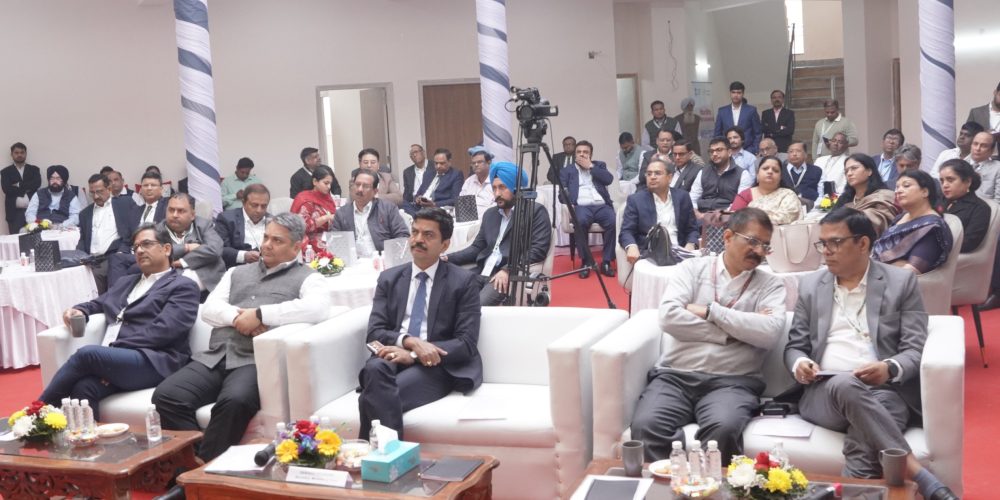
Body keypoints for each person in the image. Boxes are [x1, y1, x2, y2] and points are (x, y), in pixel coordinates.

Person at [785, 207, 958, 500]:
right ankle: (917, 472)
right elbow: (794, 346)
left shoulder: (900, 283)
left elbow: (914, 349)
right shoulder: (812, 285)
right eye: (822, 243)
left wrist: (889, 367)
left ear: (863, 243)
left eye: (835, 242)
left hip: (885, 392)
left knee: (863, 445)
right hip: (823, 394)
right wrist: (800, 363)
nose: (826, 251)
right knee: (844, 383)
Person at [152, 213, 333, 463]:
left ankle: (201, 469)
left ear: (296, 246)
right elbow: (209, 309)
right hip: (215, 356)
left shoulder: (309, 278)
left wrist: (261, 315)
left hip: (253, 361)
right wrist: (240, 319)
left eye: (277, 240)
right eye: (266, 237)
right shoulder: (236, 272)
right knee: (166, 396)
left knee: (235, 401)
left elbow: (318, 308)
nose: (267, 244)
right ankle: (196, 462)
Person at [630, 208, 787, 463]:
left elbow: (769, 333)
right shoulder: (692, 269)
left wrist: (711, 311)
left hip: (733, 382)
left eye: (765, 245)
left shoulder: (770, 285)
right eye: (753, 241)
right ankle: (667, 485)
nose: (759, 251)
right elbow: (669, 317)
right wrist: (734, 333)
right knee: (646, 425)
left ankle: (711, 486)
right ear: (728, 237)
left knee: (724, 428)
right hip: (675, 376)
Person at [40, 223, 199, 420]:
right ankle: (87, 438)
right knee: (84, 388)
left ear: (166, 249)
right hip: (119, 362)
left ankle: (37, 413)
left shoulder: (182, 286)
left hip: (154, 360)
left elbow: (164, 331)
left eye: (146, 244)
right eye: (136, 247)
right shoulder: (127, 281)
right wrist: (79, 310)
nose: (139, 250)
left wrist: (116, 350)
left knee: (88, 355)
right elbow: (98, 303)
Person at [358, 208, 482, 440]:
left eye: (428, 235)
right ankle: (393, 457)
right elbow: (374, 333)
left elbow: (466, 343)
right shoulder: (389, 279)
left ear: (445, 245)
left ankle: (376, 454)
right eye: (414, 232)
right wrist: (409, 342)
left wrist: (414, 355)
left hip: (436, 367)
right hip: (391, 357)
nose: (418, 240)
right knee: (375, 368)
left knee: (370, 396)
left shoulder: (463, 281)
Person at [446, 162, 551, 305]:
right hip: (481, 272)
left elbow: (538, 250)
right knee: (447, 299)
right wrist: (447, 258)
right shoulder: (490, 214)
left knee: (477, 307)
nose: (497, 194)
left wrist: (507, 269)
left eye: (502, 187)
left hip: (502, 276)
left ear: (516, 188)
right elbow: (476, 248)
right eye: (494, 188)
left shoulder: (535, 212)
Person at [619, 159, 699, 266]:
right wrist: (631, 246)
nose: (652, 177)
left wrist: (690, 244)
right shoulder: (636, 200)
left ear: (669, 178)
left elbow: (692, 228)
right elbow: (626, 231)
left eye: (657, 173)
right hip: (650, 255)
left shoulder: (682, 197)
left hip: (680, 253)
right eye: (649, 174)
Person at [872, 170, 953, 274]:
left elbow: (911, 271)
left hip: (891, 279)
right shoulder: (900, 217)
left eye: (906, 186)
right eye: (897, 187)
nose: (898, 191)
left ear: (925, 192)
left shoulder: (931, 227)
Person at [560, 140, 617, 278]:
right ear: (575, 154)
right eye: (579, 152)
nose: (582, 154)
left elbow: (609, 179)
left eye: (585, 152)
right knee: (580, 222)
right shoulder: (567, 171)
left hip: (601, 205)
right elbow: (561, 194)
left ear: (591, 154)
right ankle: (585, 262)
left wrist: (591, 166)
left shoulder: (599, 165)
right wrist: (568, 200)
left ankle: (606, 262)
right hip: (581, 205)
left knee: (613, 221)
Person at [331, 170, 409, 257]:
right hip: (353, 262)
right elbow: (335, 243)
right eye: (357, 184)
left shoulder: (388, 209)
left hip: (382, 260)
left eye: (365, 186)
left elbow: (403, 237)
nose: (360, 189)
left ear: (375, 191)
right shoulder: (342, 213)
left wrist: (389, 257)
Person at [77, 174, 134, 293]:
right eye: (92, 193)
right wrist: (78, 256)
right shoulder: (85, 214)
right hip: (90, 260)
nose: (96, 196)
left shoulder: (124, 204)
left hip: (113, 256)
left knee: (99, 278)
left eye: (99, 191)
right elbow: (83, 239)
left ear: (109, 188)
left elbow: (132, 231)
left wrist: (122, 251)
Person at [157, 194, 226, 292]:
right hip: (170, 283)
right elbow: (157, 252)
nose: (175, 215)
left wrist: (182, 262)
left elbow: (214, 249)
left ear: (192, 215)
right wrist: (186, 248)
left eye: (181, 211)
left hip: (207, 282)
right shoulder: (157, 231)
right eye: (171, 210)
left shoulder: (203, 225)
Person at [832, 154, 898, 237]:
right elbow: (830, 221)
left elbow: (878, 226)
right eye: (846, 171)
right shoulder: (844, 199)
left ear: (869, 171)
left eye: (854, 168)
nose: (849, 173)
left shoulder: (883, 197)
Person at [690, 137, 753, 216]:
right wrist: (699, 214)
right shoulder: (703, 172)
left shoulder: (742, 174)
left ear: (729, 152)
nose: (714, 154)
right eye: (711, 151)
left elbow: (741, 202)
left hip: (729, 216)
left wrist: (723, 215)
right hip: (702, 215)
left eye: (719, 150)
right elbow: (692, 198)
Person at [729, 156, 802, 225]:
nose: (770, 171)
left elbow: (788, 216)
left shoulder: (787, 195)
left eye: (775, 170)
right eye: (765, 168)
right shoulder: (745, 195)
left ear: (780, 177)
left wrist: (753, 219)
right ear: (757, 174)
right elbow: (734, 220)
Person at [940, 159, 990, 254]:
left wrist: (935, 244)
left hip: (951, 254)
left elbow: (968, 243)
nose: (945, 185)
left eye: (950, 180)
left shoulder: (980, 208)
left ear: (967, 182)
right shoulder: (939, 201)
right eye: (942, 181)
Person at [215, 183, 270, 268]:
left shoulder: (273, 221)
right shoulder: (227, 219)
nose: (259, 210)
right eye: (254, 205)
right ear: (243, 202)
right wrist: (244, 256)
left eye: (263, 206)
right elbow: (219, 249)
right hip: (237, 268)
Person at [404, 148, 464, 216]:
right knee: (401, 203)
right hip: (420, 206)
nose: (438, 166)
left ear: (449, 161)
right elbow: (418, 194)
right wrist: (417, 198)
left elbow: (456, 199)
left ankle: (417, 216)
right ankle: (417, 216)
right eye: (436, 163)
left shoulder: (455, 174)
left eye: (442, 163)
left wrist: (434, 204)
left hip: (436, 208)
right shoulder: (429, 174)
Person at [292, 164, 338, 250]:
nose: (329, 187)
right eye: (326, 183)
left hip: (327, 236)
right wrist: (326, 218)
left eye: (330, 184)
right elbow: (302, 227)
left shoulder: (326, 197)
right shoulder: (305, 199)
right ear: (315, 182)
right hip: (308, 240)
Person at [1, 142, 42, 233]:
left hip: (33, 211)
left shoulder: (34, 169)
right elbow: (6, 189)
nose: (19, 155)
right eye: (16, 152)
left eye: (22, 152)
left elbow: (37, 184)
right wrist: (27, 187)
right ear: (12, 154)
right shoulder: (5, 172)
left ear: (25, 154)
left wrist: (18, 185)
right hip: (14, 213)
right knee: (15, 238)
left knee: (35, 237)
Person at [713, 81, 761, 153]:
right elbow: (717, 134)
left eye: (739, 93)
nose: (736, 95)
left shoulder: (751, 110)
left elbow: (758, 133)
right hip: (727, 151)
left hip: (747, 150)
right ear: (730, 93)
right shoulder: (722, 111)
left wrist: (754, 149)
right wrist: (721, 150)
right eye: (733, 92)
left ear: (743, 94)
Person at [782, 141, 823, 206]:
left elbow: (821, 194)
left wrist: (814, 206)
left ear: (806, 154)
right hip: (784, 206)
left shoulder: (817, 171)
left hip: (811, 207)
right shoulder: (780, 170)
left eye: (798, 151)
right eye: (791, 151)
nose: (794, 154)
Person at [458, 146, 496, 218]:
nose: (476, 165)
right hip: (468, 220)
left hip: (489, 220)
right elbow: (461, 206)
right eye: (473, 163)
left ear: (489, 162)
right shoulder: (469, 181)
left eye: (479, 162)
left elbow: (497, 208)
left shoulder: (496, 180)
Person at [815, 132, 851, 198]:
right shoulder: (819, 160)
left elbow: (846, 185)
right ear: (830, 142)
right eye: (834, 140)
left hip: (837, 197)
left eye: (840, 142)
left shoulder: (848, 162)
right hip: (816, 196)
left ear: (846, 146)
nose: (835, 144)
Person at [966, 131, 1000, 201]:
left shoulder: (997, 168)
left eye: (984, 146)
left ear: (992, 150)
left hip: (988, 206)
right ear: (971, 145)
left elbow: (998, 200)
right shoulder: (959, 164)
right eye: (975, 144)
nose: (978, 148)